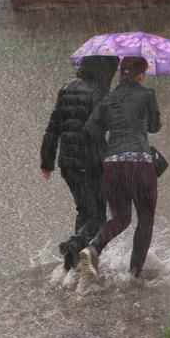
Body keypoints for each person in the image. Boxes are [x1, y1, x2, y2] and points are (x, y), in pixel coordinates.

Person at [78, 56, 161, 281]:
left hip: (113, 166)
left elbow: (90, 129)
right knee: (145, 221)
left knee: (121, 219)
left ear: (121, 74)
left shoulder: (108, 99)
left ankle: (94, 247)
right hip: (140, 165)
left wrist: (108, 150)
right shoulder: (147, 95)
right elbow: (155, 127)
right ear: (141, 75)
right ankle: (134, 275)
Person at [39, 55, 120, 272]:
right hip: (91, 163)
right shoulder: (100, 93)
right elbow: (104, 130)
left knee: (84, 211)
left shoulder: (66, 88)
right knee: (98, 217)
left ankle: (75, 265)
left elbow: (53, 126)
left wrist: (46, 162)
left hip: (68, 163)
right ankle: (75, 247)